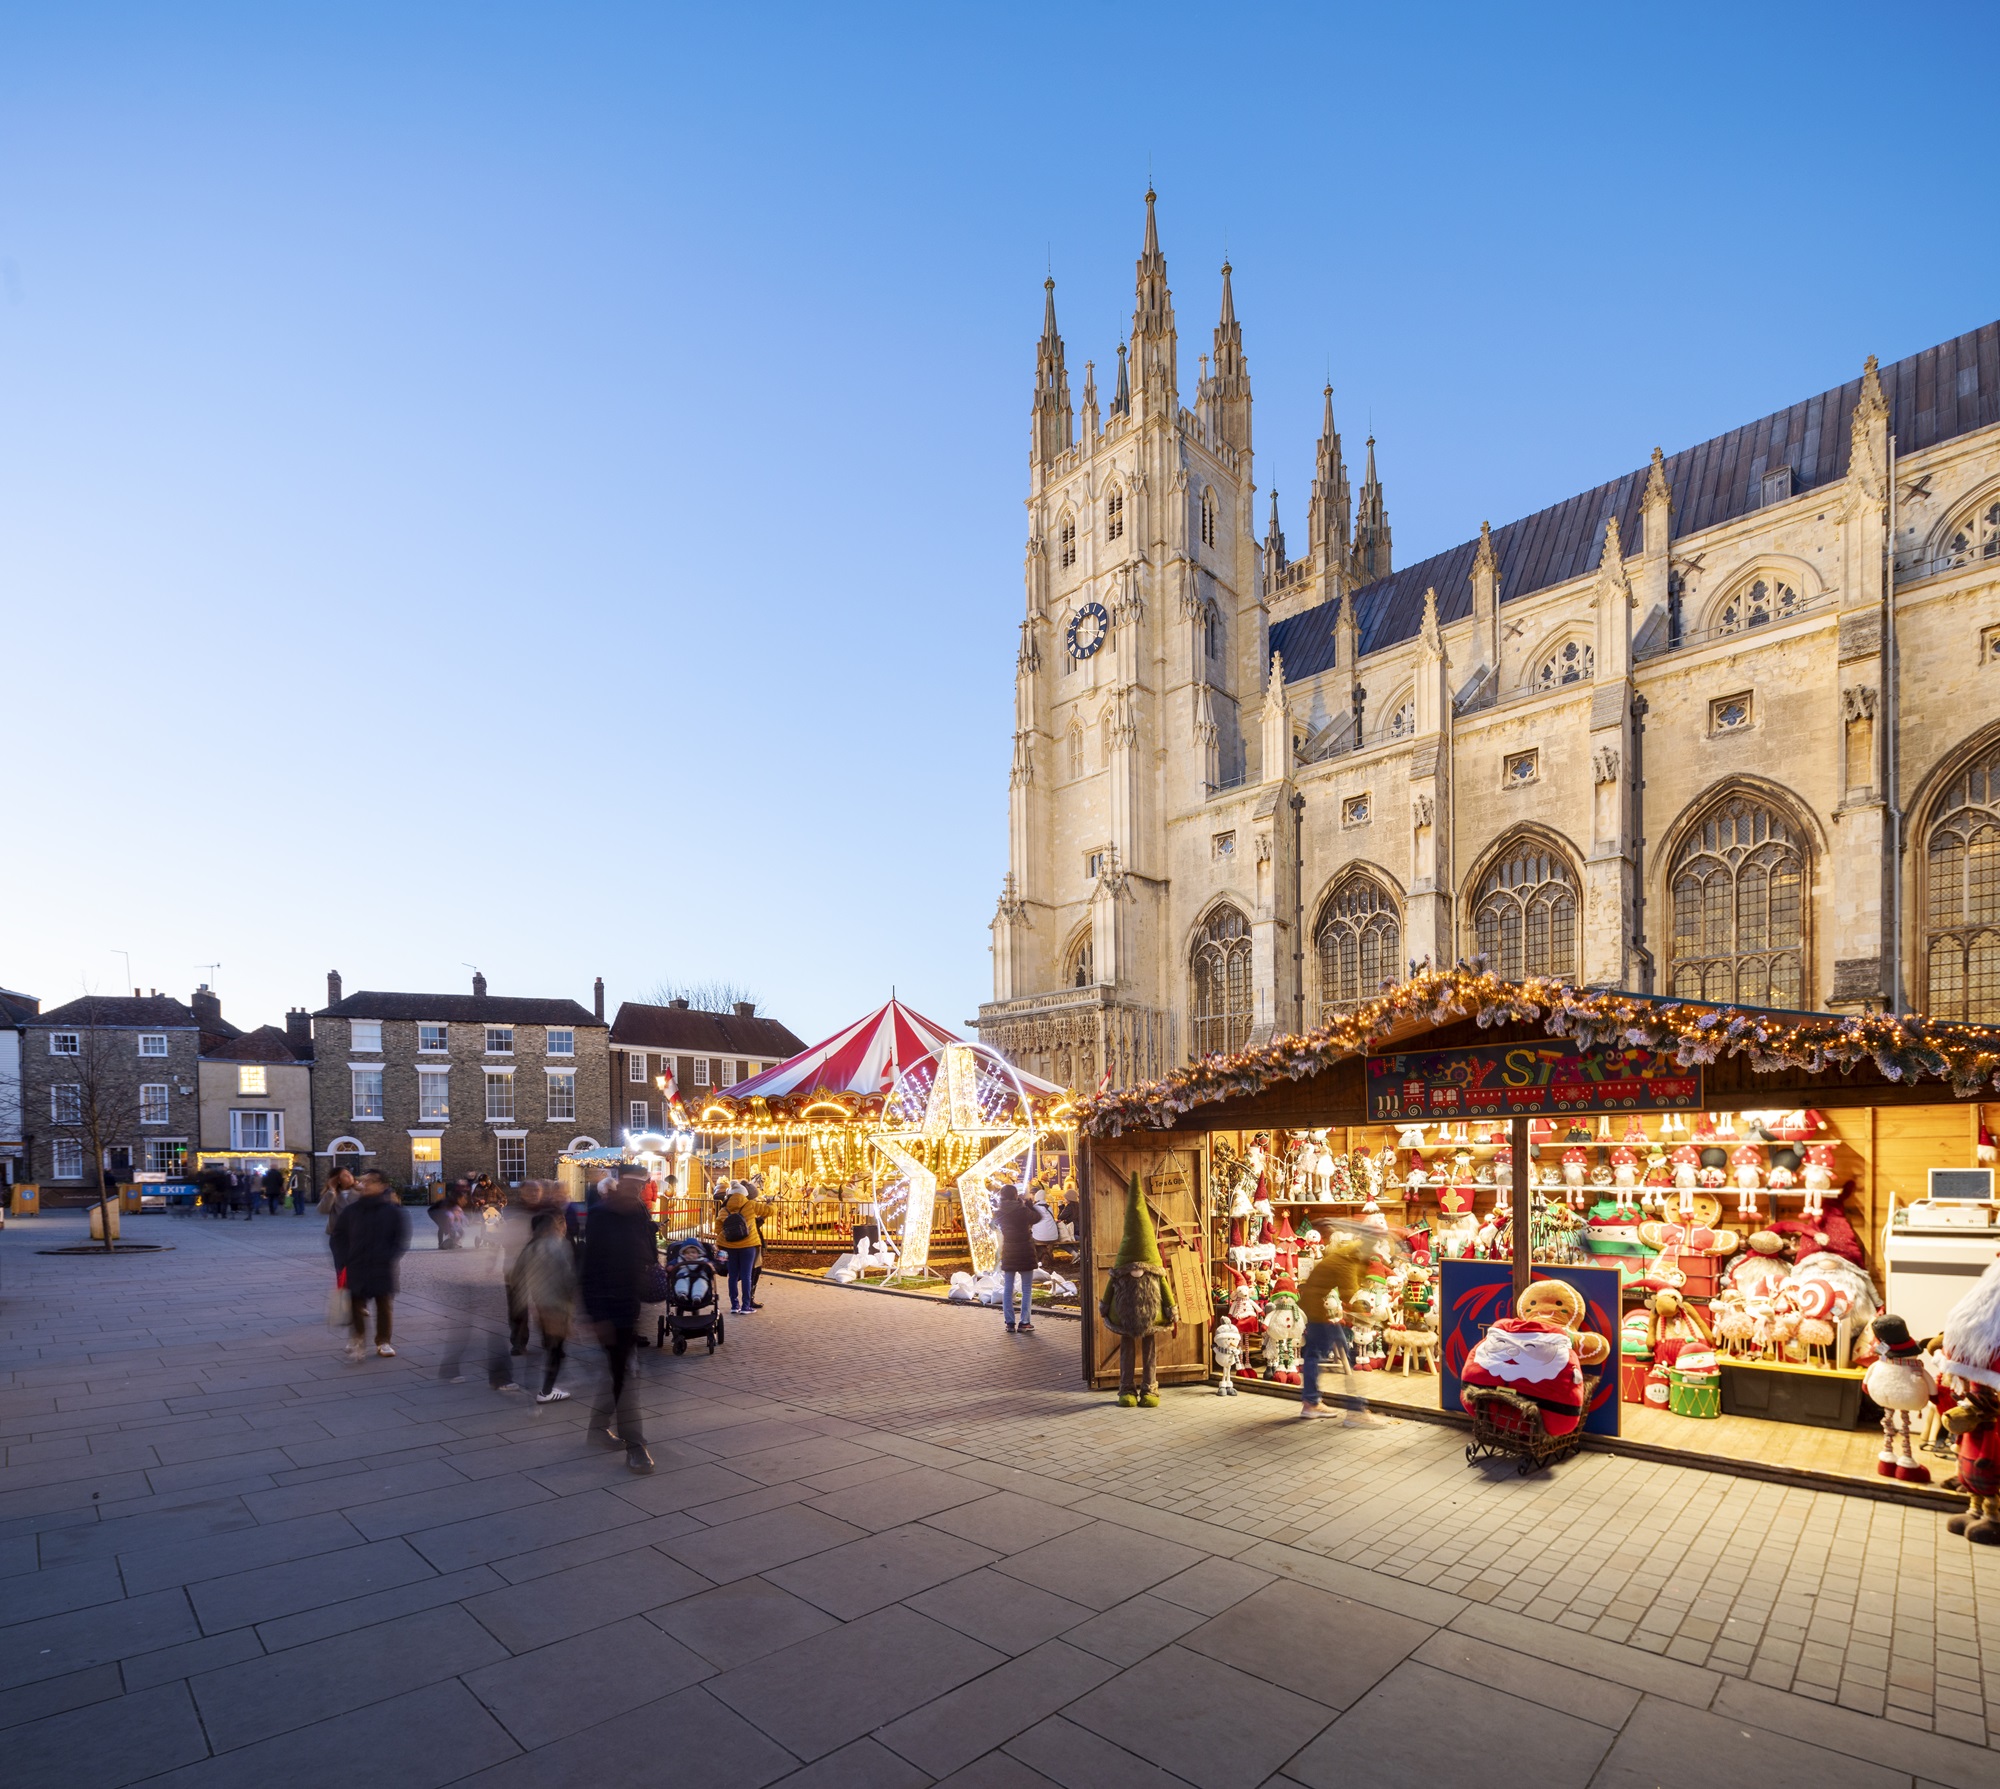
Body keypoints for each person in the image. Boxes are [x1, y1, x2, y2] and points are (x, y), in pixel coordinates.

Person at [580, 1166, 657, 1472]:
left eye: (640, 1186)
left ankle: (597, 1429)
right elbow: (589, 1267)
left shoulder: (639, 1214)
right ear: (618, 1184)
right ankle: (635, 1445)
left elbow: (647, 1255)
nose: (635, 1191)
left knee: (619, 1372)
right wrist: (596, 1315)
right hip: (608, 1305)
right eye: (630, 1184)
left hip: (630, 1304)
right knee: (625, 1374)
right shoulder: (601, 1215)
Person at [1296, 1222, 1389, 1428]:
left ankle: (1311, 1403)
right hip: (1320, 1310)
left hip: (1317, 1307)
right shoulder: (1347, 1261)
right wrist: (1370, 1316)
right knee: (1348, 1357)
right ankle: (1355, 1412)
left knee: (1315, 1354)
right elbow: (1351, 1296)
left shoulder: (1352, 1255)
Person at [330, 1170, 411, 1361]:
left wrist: (388, 1257)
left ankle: (383, 1341)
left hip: (381, 1265)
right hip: (356, 1264)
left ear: (382, 1186)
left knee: (384, 1304)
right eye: (364, 1181)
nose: (365, 1185)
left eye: (371, 1181)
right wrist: (343, 1260)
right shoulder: (352, 1210)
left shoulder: (393, 1212)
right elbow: (338, 1237)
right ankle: (358, 1338)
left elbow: (400, 1240)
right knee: (355, 1303)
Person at [514, 1187, 578, 1404]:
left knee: (551, 1347)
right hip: (557, 1306)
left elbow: (519, 1278)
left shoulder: (529, 1248)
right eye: (559, 1223)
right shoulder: (558, 1246)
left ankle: (538, 1386)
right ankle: (546, 1391)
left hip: (539, 1305)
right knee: (556, 1350)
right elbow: (567, 1278)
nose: (563, 1226)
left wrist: (523, 1304)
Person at [719, 1181, 769, 1315]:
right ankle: (746, 1306)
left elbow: (718, 1229)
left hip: (730, 1246)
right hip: (748, 1245)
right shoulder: (750, 1205)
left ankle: (734, 1305)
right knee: (747, 1276)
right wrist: (772, 1204)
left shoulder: (724, 1209)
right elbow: (769, 1210)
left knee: (732, 1276)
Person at [994, 1182, 1039, 1335]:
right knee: (1026, 1289)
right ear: (1015, 1195)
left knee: (1008, 1287)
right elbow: (1037, 1217)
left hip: (1009, 1251)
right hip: (1025, 1250)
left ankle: (1009, 1322)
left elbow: (995, 1225)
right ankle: (1025, 1322)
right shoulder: (1023, 1211)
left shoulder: (999, 1212)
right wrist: (1029, 1204)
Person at [319, 1166, 355, 1234]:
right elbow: (323, 1210)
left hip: (356, 1231)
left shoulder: (361, 1192)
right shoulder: (331, 1194)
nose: (349, 1176)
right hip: (337, 1232)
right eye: (345, 1175)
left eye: (349, 1174)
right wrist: (332, 1190)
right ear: (338, 1180)